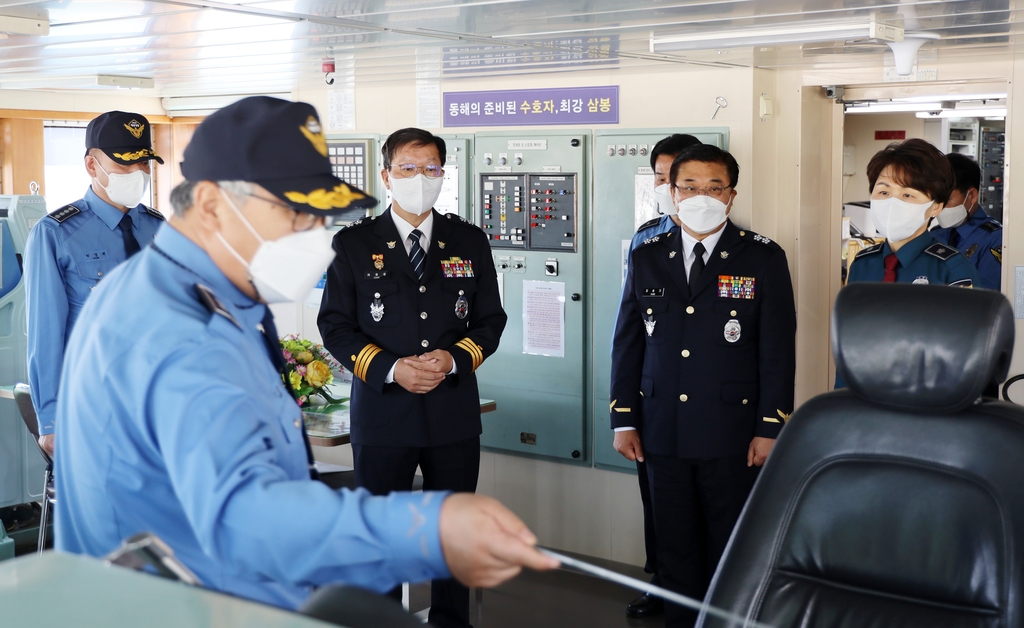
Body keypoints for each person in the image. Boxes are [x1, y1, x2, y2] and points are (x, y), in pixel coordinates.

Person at [54, 97, 556, 611]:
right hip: (178, 605)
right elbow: (246, 518)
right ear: (210, 205)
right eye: (295, 212)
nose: (312, 236)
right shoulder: (182, 329)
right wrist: (427, 530)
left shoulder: (216, 295)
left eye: (319, 214)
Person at [317, 127, 506, 628]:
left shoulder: (468, 239)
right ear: (386, 175)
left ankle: (451, 621)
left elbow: (491, 320)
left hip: (452, 413)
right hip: (383, 415)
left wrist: (455, 358)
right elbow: (334, 325)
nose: (419, 178)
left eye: (431, 169)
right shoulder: (353, 243)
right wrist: (393, 368)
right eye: (407, 168)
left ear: (444, 174)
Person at [610, 144, 796, 628]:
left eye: (714, 188)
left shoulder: (762, 257)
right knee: (673, 547)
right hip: (660, 430)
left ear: (731, 197)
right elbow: (628, 342)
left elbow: (777, 350)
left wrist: (771, 427)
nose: (701, 196)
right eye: (689, 186)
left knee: (730, 544)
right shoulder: (646, 253)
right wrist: (623, 419)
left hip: (732, 434)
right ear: (671, 192)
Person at [25, 110, 165, 457]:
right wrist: (52, 422)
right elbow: (46, 335)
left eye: (143, 163)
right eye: (124, 164)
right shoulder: (56, 233)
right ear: (92, 166)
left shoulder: (159, 228)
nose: (137, 173)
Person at [619, 132, 701, 620]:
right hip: (655, 399)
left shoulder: (738, 248)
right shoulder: (645, 240)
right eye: (663, 177)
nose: (671, 187)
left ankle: (704, 590)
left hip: (708, 405)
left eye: (680, 178)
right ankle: (664, 583)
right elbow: (628, 332)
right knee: (658, 503)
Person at [847, 139, 979, 288]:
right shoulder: (862, 265)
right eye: (884, 192)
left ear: (936, 207)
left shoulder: (952, 269)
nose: (892, 203)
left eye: (907, 195)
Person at [929, 152, 1002, 290]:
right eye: (936, 199)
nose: (939, 206)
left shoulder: (995, 239)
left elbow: (986, 296)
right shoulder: (935, 235)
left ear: (972, 195)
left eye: (947, 199)